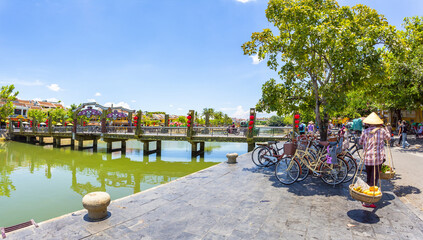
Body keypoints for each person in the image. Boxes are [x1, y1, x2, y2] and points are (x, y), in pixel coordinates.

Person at [359, 112, 391, 208]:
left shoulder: (365, 132)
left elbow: (360, 142)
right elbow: (388, 138)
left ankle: (366, 198)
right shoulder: (382, 131)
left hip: (368, 158)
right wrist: (386, 128)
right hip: (377, 159)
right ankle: (368, 201)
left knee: (369, 178)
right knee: (374, 179)